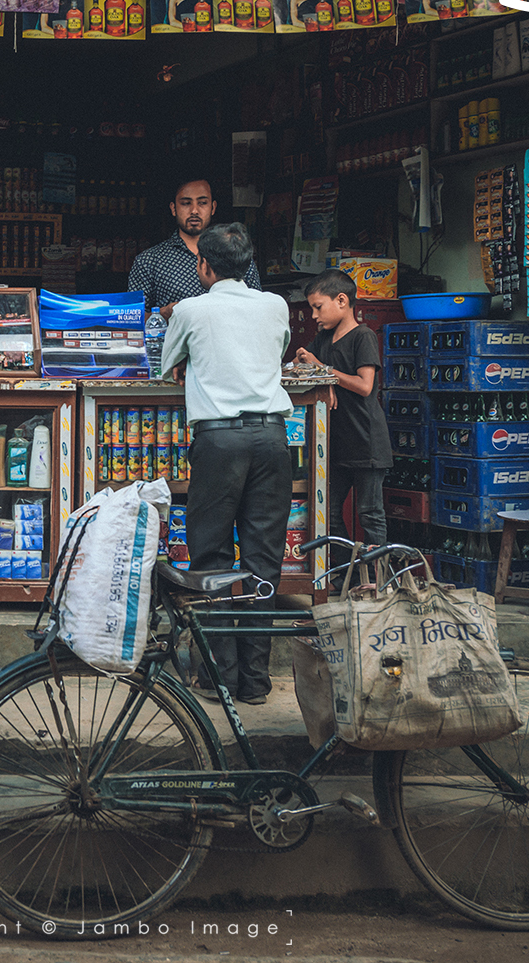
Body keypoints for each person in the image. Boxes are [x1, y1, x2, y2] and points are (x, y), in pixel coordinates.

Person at [159, 223, 293, 706]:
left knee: (212, 558)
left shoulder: (192, 308)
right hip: (273, 439)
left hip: (218, 442)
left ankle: (220, 679)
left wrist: (190, 360)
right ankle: (256, 682)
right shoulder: (275, 304)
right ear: (248, 265)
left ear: (205, 267)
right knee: (263, 562)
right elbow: (271, 354)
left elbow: (165, 362)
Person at [293, 270, 391, 585]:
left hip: (367, 441)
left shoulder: (362, 336)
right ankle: (347, 575)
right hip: (335, 442)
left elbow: (365, 386)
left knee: (369, 515)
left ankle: (378, 583)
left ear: (342, 300)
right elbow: (305, 365)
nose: (313, 315)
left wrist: (326, 372)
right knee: (329, 513)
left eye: (318, 307)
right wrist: (320, 374)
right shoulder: (323, 338)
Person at [128, 177, 262, 319]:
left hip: (227, 339)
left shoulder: (235, 253)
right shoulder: (149, 261)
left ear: (213, 207)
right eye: (186, 203)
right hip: (175, 340)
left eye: (202, 203)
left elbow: (257, 306)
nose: (194, 211)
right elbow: (130, 318)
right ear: (173, 208)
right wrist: (162, 314)